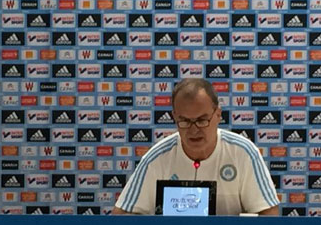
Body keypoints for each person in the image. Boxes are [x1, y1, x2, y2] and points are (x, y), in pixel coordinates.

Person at [113, 78, 279, 215]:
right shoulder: (156, 158)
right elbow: (121, 215)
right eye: (184, 121)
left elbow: (269, 213)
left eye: (201, 120)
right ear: (174, 117)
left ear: (218, 115)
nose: (193, 130)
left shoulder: (244, 153)